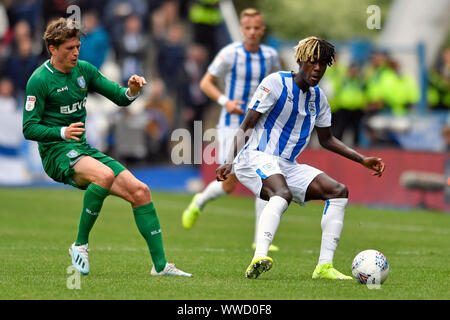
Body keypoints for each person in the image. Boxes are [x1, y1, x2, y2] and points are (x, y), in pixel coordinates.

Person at [22, 18, 191, 277]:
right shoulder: (40, 80)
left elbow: (119, 97)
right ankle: (80, 245)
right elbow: (29, 128)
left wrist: (133, 91)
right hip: (56, 153)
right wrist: (61, 132)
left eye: (78, 46)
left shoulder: (84, 70)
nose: (76, 52)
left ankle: (160, 267)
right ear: (53, 49)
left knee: (141, 191)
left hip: (82, 149)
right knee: (104, 175)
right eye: (69, 48)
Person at [216, 36, 385, 280]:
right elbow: (247, 125)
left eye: (323, 64)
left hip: (286, 165)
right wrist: (229, 160)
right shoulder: (275, 83)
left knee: (338, 191)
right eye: (312, 62)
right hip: (255, 156)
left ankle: (324, 266)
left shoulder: (319, 99)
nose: (317, 68)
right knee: (281, 193)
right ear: (300, 60)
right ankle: (259, 256)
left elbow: (327, 139)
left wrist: (362, 159)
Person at [182, 8, 281, 251]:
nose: (252, 32)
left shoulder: (270, 55)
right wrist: (225, 101)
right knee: (229, 184)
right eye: (248, 28)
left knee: (264, 177)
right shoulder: (230, 53)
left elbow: (276, 84)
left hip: (258, 126)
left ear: (262, 30)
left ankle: (261, 240)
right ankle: (200, 201)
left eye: (257, 28)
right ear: (242, 30)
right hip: (230, 126)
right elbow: (206, 82)